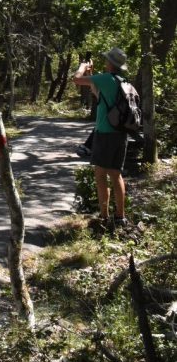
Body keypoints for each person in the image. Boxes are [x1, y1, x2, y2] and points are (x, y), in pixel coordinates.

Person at [72, 47, 130, 230]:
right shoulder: (121, 80)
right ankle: (120, 217)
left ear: (110, 63)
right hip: (121, 134)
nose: (105, 62)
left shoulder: (105, 78)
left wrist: (82, 66)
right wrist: (92, 74)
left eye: (107, 60)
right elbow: (99, 94)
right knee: (116, 174)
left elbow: (76, 79)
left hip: (105, 134)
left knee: (100, 175)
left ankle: (104, 216)